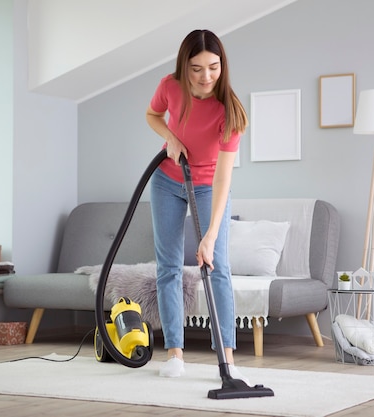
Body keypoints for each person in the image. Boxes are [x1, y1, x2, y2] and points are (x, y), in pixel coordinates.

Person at [145, 29, 248, 381]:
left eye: (214, 67)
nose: (206, 77)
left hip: (207, 187)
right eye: (197, 68)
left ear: (223, 66)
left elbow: (223, 180)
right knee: (169, 266)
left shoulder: (229, 112)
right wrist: (170, 138)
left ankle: (228, 357)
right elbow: (152, 115)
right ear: (183, 67)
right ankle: (175, 353)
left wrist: (210, 235)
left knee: (217, 266)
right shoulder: (169, 87)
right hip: (165, 180)